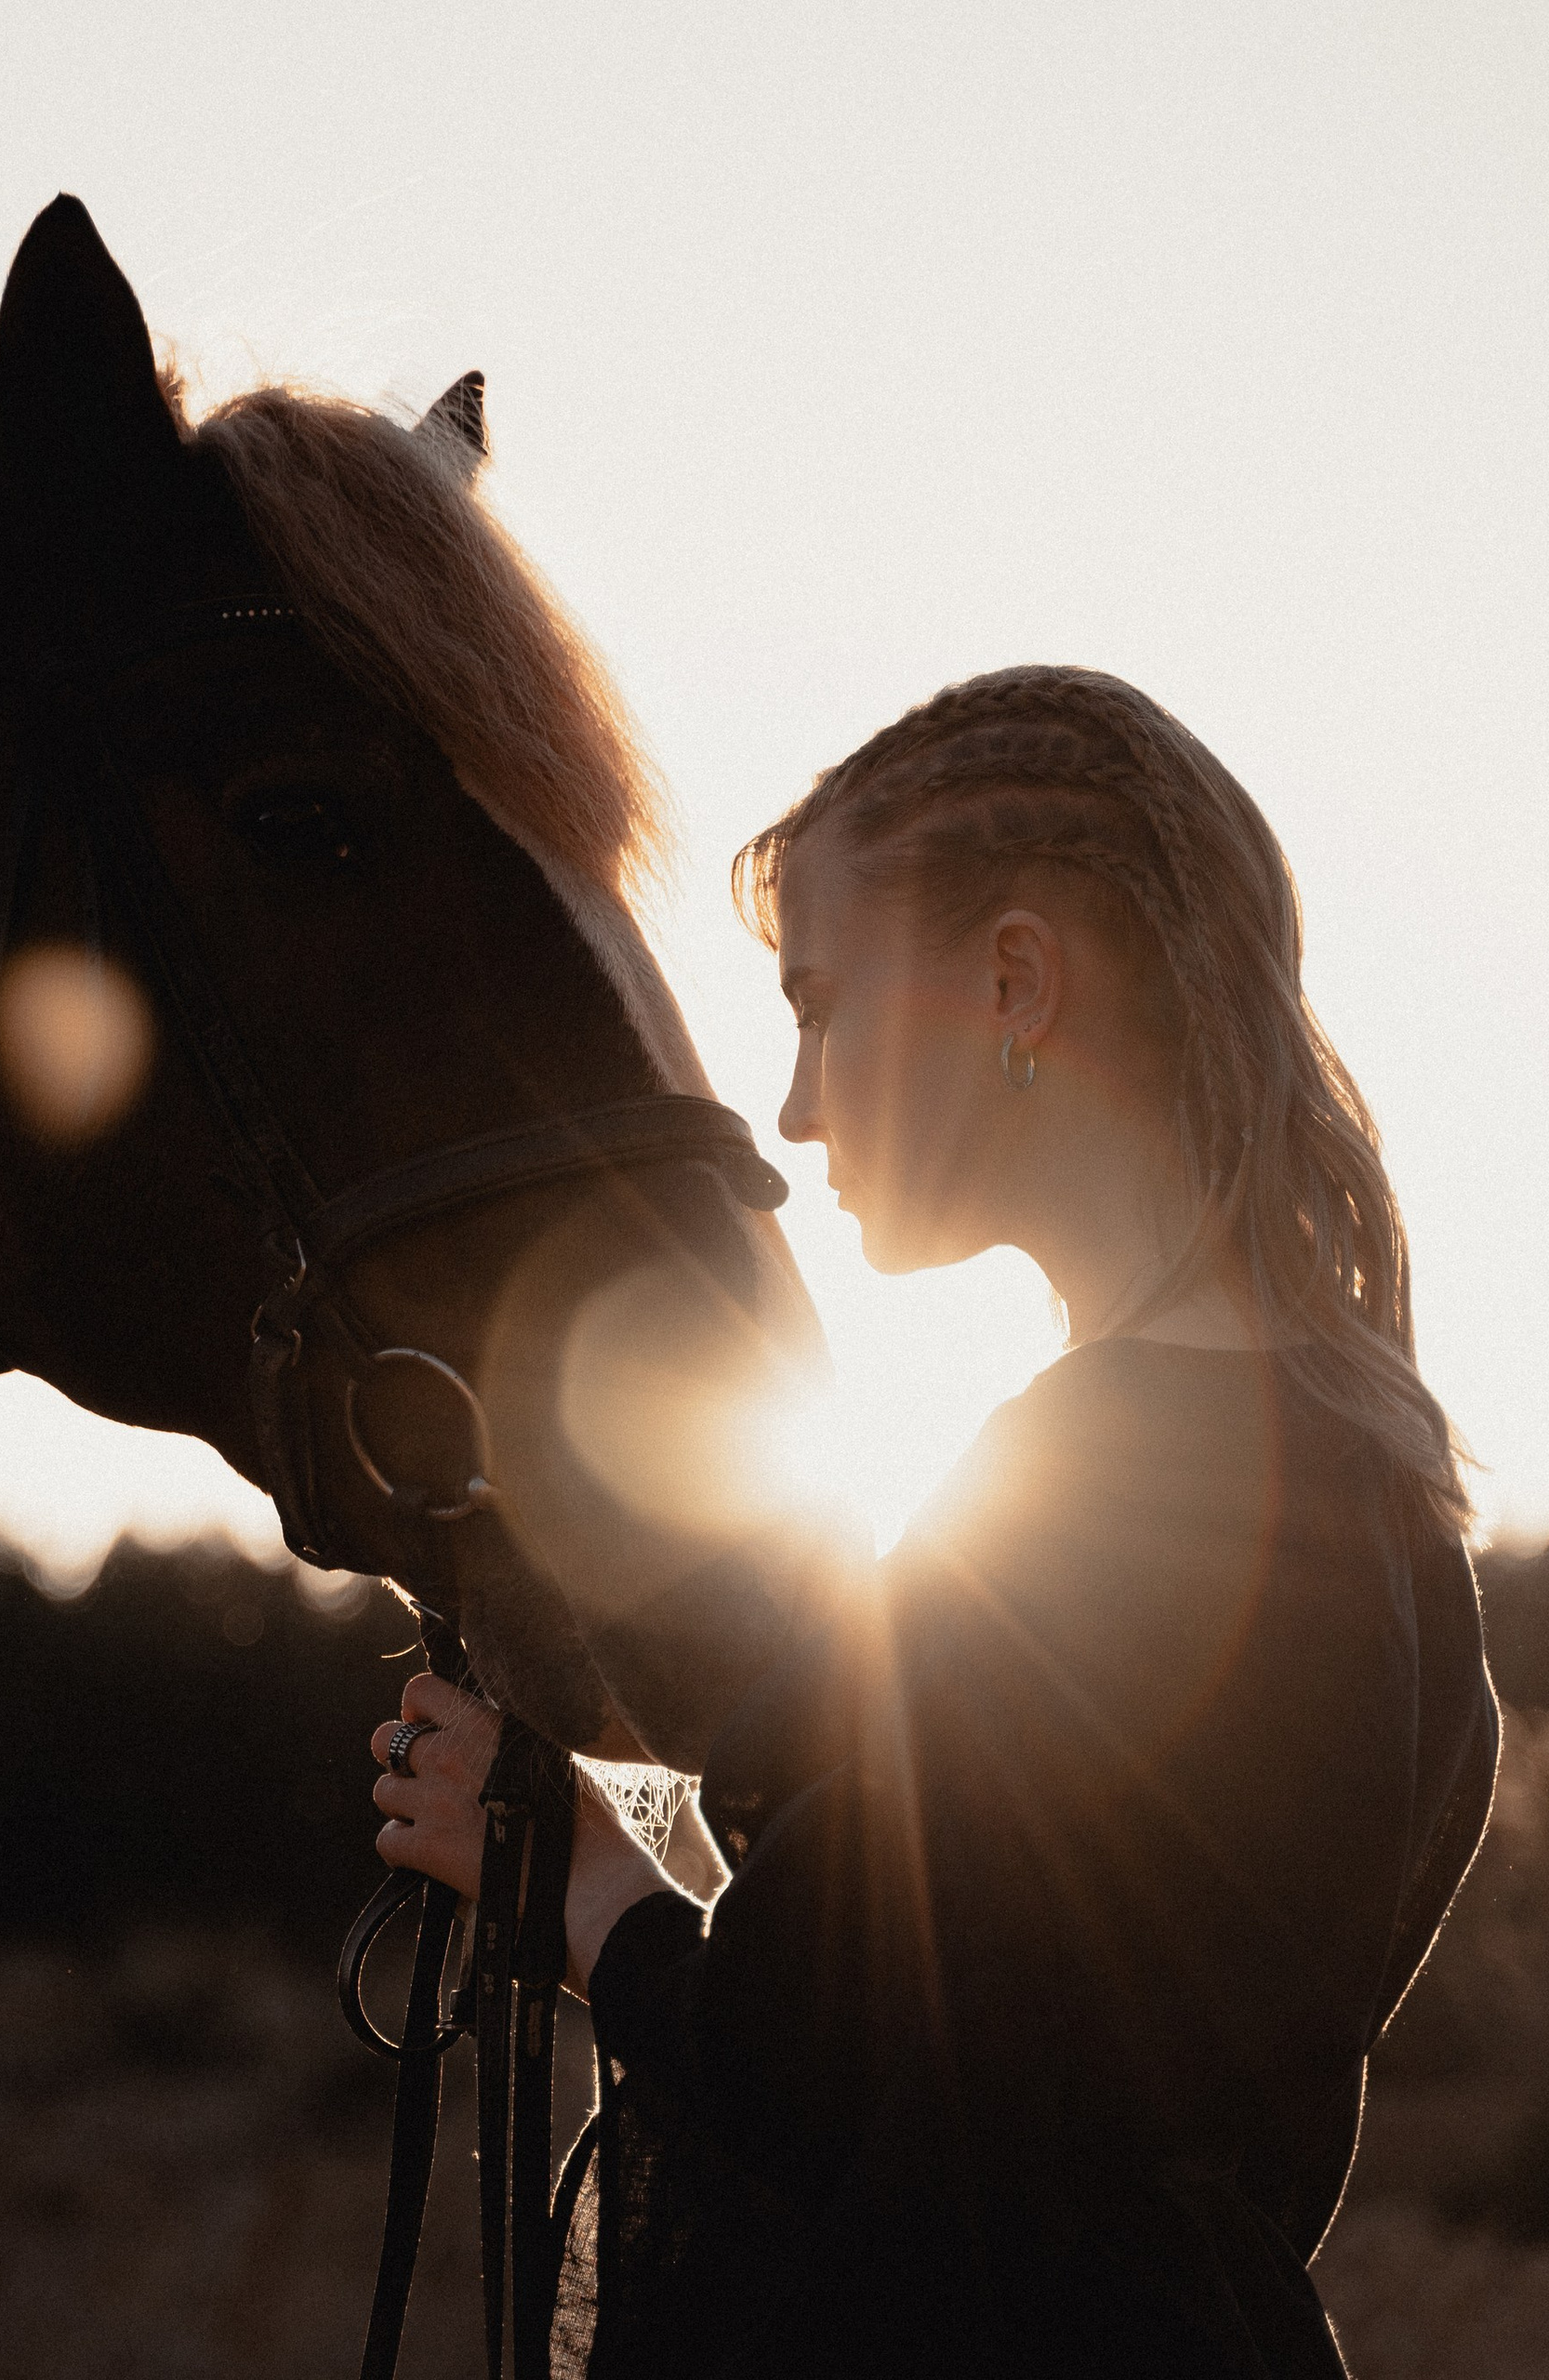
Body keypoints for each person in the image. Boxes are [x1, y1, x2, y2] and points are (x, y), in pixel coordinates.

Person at [368, 666, 1499, 2377]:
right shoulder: (1386, 1500)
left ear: (1016, 981)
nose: (798, 1105)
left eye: (821, 1006)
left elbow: (839, 2075)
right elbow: (1013, 2018)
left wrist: (581, 1889)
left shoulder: (1095, 1489)